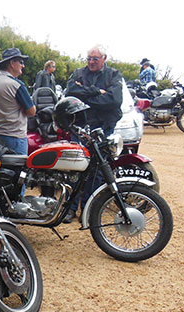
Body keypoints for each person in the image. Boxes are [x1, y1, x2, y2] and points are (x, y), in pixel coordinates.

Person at [63, 45, 123, 223]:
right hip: (81, 126)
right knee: (76, 166)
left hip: (104, 127)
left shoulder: (113, 75)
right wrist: (97, 92)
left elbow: (114, 100)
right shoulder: (79, 73)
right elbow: (70, 92)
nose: (91, 62)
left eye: (95, 59)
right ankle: (69, 209)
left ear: (104, 58)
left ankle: (88, 210)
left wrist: (85, 97)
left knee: (97, 169)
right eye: (88, 58)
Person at [0, 48, 36, 158]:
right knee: (17, 172)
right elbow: (32, 111)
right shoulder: (16, 85)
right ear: (12, 63)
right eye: (21, 62)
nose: (23, 66)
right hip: (15, 137)